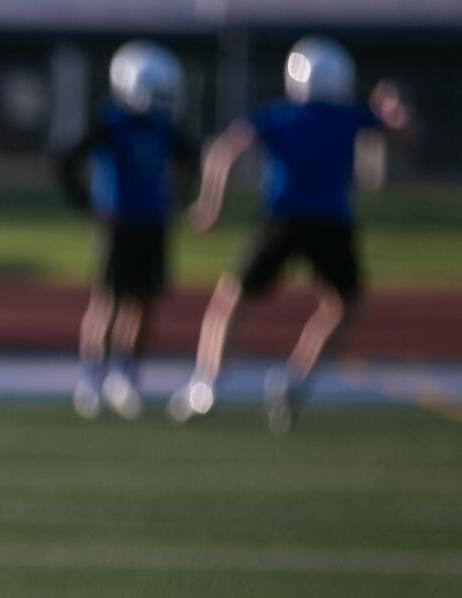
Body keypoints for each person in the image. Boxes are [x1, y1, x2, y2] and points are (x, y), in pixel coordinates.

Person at [171, 37, 409, 433]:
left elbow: (225, 150)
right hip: (332, 224)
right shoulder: (350, 115)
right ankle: (293, 380)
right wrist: (394, 109)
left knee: (231, 301)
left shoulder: (279, 116)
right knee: (343, 305)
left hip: (282, 222)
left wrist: (211, 206)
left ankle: (206, 384)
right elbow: (402, 132)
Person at [58, 41, 198, 420]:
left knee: (144, 302)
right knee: (107, 300)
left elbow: (191, 156)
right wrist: (90, 205)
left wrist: (176, 195)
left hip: (151, 223)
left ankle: (125, 376)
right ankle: (91, 377)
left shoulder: (164, 125)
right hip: (118, 224)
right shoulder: (110, 122)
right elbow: (68, 161)